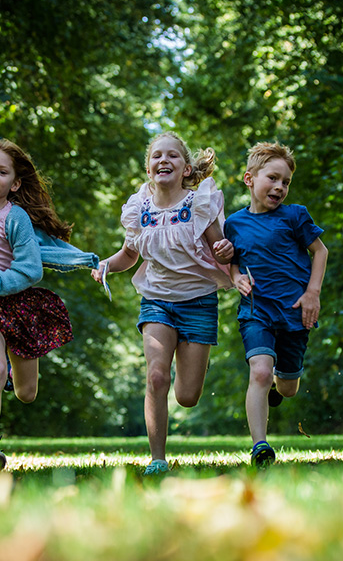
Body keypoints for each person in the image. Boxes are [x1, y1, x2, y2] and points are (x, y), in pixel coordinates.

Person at [0, 138, 98, 478]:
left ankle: (14, 373)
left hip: (20, 306)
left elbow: (30, 270)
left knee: (27, 393)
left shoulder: (16, 218)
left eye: (3, 172)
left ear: (15, 183)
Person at [91, 131, 233, 475]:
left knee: (187, 397)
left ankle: (193, 360)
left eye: (172, 155)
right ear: (148, 168)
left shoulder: (199, 203)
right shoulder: (139, 208)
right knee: (156, 377)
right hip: (156, 301)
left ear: (186, 168)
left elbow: (220, 249)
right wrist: (107, 264)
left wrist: (227, 251)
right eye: (157, 155)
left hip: (198, 302)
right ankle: (157, 459)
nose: (164, 160)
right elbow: (129, 254)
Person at [224, 141, 328, 466]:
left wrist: (312, 293)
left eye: (286, 182)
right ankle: (260, 446)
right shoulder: (234, 224)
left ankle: (275, 384)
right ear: (249, 179)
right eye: (273, 178)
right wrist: (236, 278)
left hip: (295, 312)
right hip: (256, 311)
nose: (280, 187)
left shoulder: (295, 216)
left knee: (288, 388)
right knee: (259, 371)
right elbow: (234, 264)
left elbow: (320, 251)